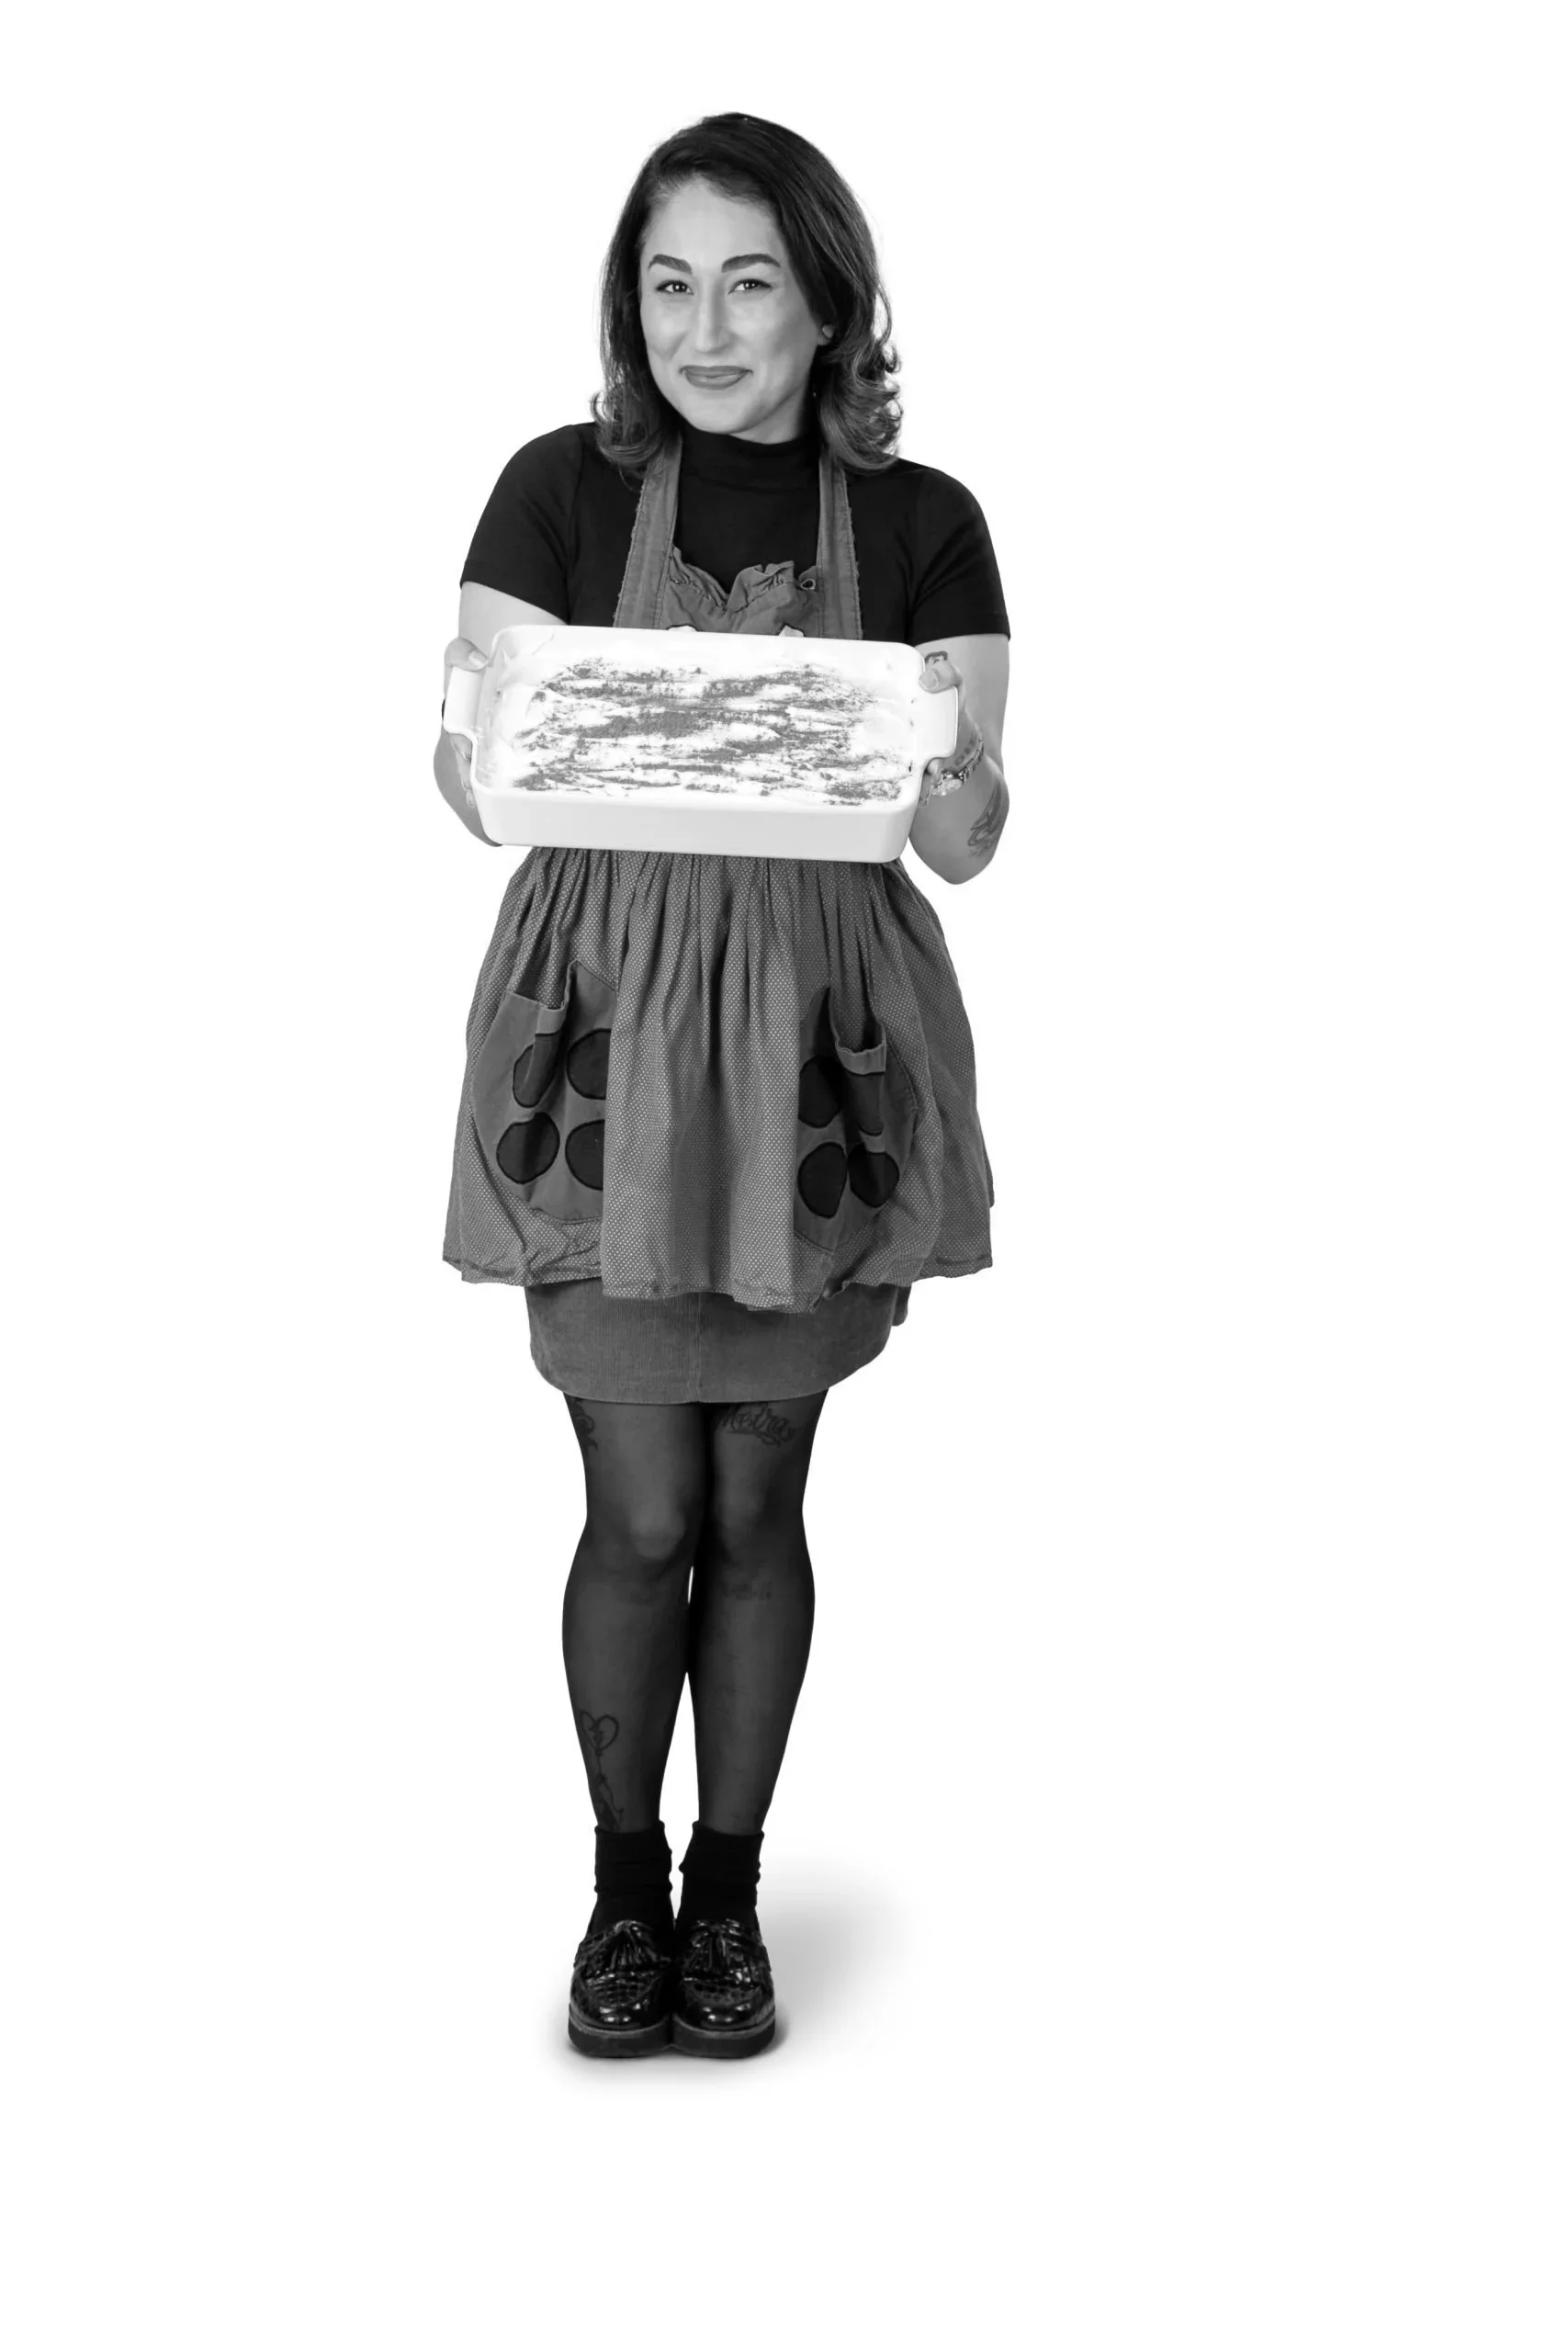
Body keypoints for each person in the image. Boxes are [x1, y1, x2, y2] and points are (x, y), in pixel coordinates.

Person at [434, 114, 1010, 2059]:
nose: (706, 323)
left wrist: (953, 784)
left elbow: (965, 829)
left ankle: (725, 1899)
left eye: (750, 279)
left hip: (812, 1048)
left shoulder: (925, 518)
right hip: (601, 1027)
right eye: (668, 281)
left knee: (761, 1487)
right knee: (641, 1504)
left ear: (828, 296)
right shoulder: (556, 493)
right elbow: (477, 759)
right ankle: (617, 1892)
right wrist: (469, 739)